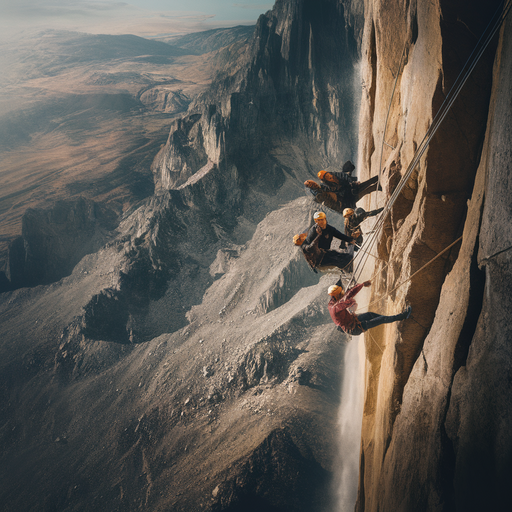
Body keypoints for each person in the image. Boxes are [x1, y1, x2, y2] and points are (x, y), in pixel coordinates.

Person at [327, 280, 411, 335]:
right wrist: (352, 302)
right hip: (354, 328)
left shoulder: (333, 301)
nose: (342, 293)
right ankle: (403, 316)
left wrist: (362, 285)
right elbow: (348, 299)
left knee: (370, 315)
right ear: (336, 295)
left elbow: (348, 295)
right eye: (340, 293)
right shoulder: (336, 307)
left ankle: (390, 317)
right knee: (382, 319)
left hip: (354, 320)